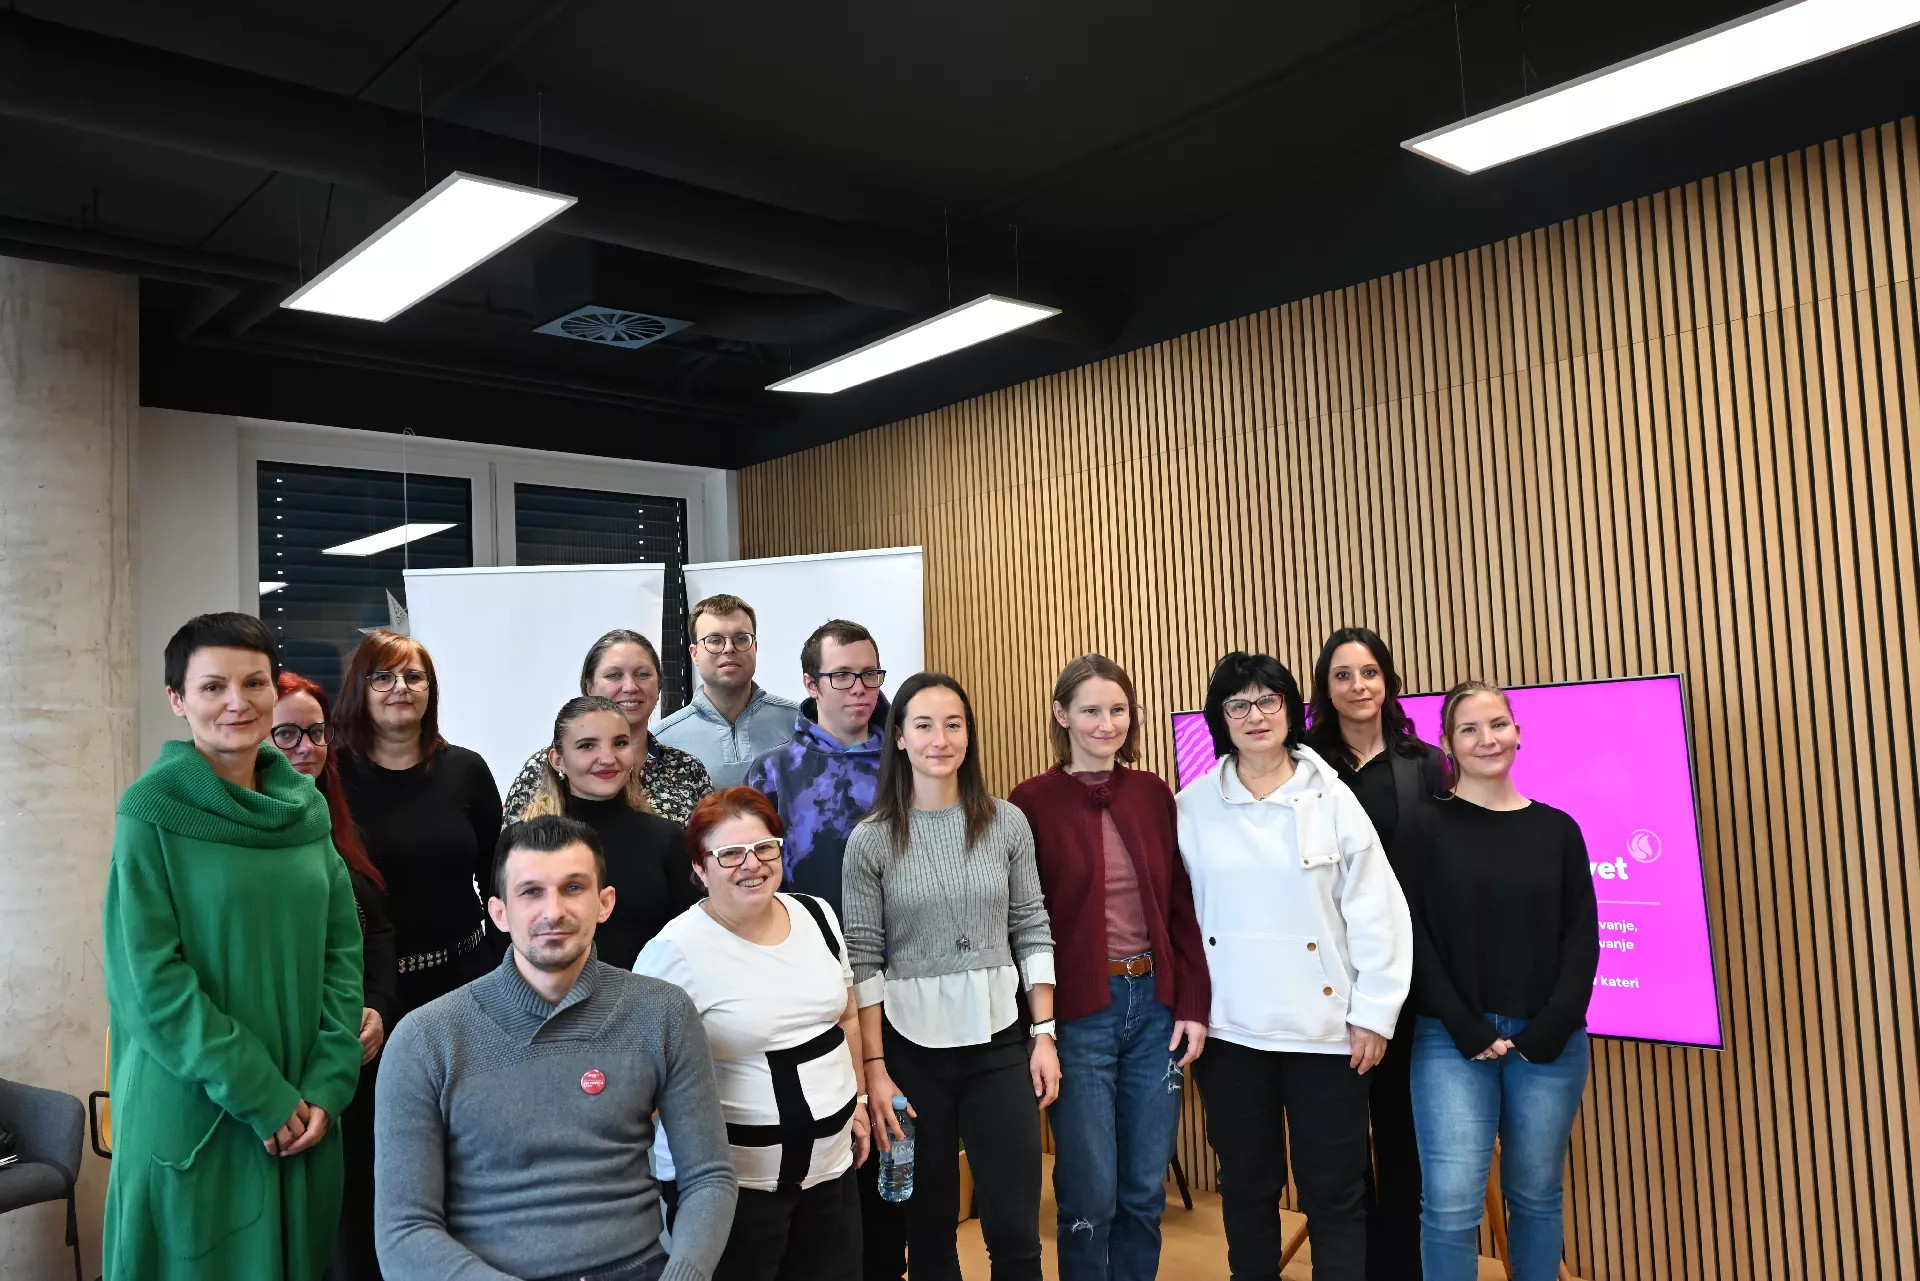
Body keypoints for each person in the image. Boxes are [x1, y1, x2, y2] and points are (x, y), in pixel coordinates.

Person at [102, 613, 364, 1281]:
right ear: (177, 699)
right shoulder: (151, 811)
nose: (236, 702)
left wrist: (329, 1079)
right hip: (198, 1105)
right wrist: (257, 1090)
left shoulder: (304, 808)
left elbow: (341, 951)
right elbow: (149, 982)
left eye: (253, 683)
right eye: (212, 686)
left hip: (304, 1107)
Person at [375, 815, 738, 1281]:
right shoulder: (425, 1039)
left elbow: (709, 1177)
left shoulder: (662, 1012)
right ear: (498, 913)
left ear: (604, 903)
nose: (554, 911)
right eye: (531, 892)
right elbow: (403, 1232)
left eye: (573, 888)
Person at [1176, 651, 1411, 1281]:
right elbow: (1179, 920)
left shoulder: (1332, 798)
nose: (1255, 716)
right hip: (1231, 1034)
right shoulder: (1192, 806)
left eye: (1268, 700)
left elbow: (1378, 912)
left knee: (1335, 1194)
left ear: (1290, 710)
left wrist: (1375, 1014)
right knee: (1246, 1189)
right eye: (1238, 704)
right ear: (1220, 718)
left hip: (1328, 1038)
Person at [843, 672, 1059, 1281]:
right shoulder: (870, 841)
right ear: (900, 738)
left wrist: (1044, 1034)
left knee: (1016, 1229)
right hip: (910, 1054)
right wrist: (874, 1069)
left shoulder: (1007, 823)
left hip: (1000, 1043)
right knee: (929, 1232)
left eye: (954, 724)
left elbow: (1031, 927)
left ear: (969, 735)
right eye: (924, 725)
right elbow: (863, 959)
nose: (941, 739)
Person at [1007, 654, 1210, 1281]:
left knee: (1145, 1190)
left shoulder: (1153, 794)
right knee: (1088, 1194)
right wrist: (1038, 1028)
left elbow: (1180, 906)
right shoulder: (1030, 802)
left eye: (1118, 710)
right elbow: (1023, 921)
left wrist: (1192, 1005)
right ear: (1061, 715)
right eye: (1091, 710)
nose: (1106, 723)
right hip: (1079, 1015)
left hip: (1154, 1009)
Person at [1399, 682, 1599, 1281]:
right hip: (1451, 1041)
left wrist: (1551, 1028)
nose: (1487, 739)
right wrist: (1465, 1027)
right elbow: (1412, 938)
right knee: (1451, 1207)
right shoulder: (1422, 826)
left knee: (1536, 1197)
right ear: (1446, 745)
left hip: (1549, 1044)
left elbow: (1581, 940)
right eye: (1469, 729)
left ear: (1518, 733)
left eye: (1498, 725)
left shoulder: (1558, 830)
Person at [636, 788, 871, 1281]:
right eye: (730, 854)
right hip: (734, 1194)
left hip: (831, 1173)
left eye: (765, 847)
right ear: (700, 869)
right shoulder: (674, 951)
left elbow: (847, 1017)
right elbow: (644, 1083)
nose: (752, 864)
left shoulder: (816, 915)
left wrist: (861, 1103)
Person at [742, 619, 901, 1280]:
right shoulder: (776, 769)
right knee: (833, 1154)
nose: (859, 688)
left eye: (870, 674)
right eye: (843, 675)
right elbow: (751, 881)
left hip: (901, 986)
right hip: (811, 992)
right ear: (811, 684)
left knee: (898, 1151)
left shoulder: (907, 759)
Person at [1305, 627, 1446, 1281]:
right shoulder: (1303, 765)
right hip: (1326, 981)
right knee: (1338, 1146)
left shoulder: (1428, 765)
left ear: (1387, 680)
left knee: (1402, 1136)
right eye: (1342, 674)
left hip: (1408, 982)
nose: (1358, 685)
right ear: (1324, 688)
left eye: (1369, 672)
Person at [273, 671, 398, 1281]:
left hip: (354, 1051)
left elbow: (374, 929)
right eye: (287, 734)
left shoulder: (335, 823)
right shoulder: (250, 837)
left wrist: (377, 1005)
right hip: (290, 1063)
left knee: (358, 1216)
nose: (306, 747)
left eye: (316, 732)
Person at [333, 629, 503, 1018]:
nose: (401, 687)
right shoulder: (333, 778)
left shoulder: (467, 769)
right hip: (369, 994)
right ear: (359, 690)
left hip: (468, 979)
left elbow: (496, 876)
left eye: (413, 677)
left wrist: (499, 958)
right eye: (383, 677)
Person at [520, 695, 700, 970]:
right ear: (557, 760)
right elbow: (508, 947)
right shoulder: (524, 844)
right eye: (587, 745)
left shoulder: (666, 838)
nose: (607, 759)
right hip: (552, 995)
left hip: (648, 992)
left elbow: (689, 940)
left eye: (620, 743)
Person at [503, 629, 714, 823]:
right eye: (614, 675)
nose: (630, 687)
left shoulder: (687, 769)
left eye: (642, 674)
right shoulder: (541, 768)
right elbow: (510, 846)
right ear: (589, 688)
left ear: (659, 685)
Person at [657, 594, 799, 788]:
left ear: (755, 648)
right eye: (715, 640)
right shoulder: (662, 741)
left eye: (741, 638)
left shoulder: (801, 724)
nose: (729, 648)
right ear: (694, 654)